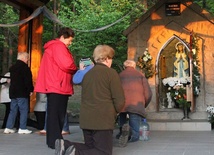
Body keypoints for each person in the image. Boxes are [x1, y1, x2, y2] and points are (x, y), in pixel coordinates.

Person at [54, 45, 125, 155]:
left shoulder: (87, 74)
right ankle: (76, 152)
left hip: (86, 119)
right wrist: (115, 112)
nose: (111, 61)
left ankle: (66, 145)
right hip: (103, 119)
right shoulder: (111, 73)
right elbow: (119, 100)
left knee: (90, 147)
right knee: (103, 152)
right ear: (106, 58)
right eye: (111, 58)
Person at [34, 27, 77, 149]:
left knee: (55, 115)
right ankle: (55, 141)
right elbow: (67, 64)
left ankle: (54, 140)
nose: (70, 43)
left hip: (55, 85)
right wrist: (77, 68)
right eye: (70, 40)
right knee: (57, 115)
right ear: (63, 37)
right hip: (58, 85)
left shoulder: (53, 47)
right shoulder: (58, 47)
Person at [116, 60, 152, 147]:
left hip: (122, 102)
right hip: (136, 103)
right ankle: (134, 136)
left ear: (125, 67)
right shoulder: (140, 75)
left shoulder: (119, 75)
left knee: (122, 116)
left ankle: (122, 131)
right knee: (134, 118)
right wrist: (144, 104)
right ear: (134, 66)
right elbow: (148, 93)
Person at [4, 52, 34, 134]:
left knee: (13, 110)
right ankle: (22, 128)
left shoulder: (12, 68)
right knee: (24, 110)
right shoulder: (25, 68)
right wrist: (30, 90)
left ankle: (8, 127)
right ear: (24, 58)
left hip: (13, 92)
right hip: (22, 92)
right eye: (27, 58)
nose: (27, 60)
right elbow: (28, 81)